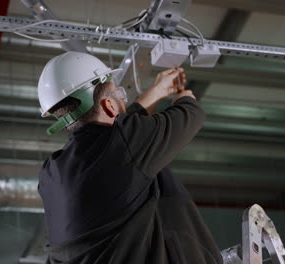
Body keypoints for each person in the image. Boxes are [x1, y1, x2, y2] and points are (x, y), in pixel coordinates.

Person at [37, 51, 223, 264]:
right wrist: (185, 99)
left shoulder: (51, 173)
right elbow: (191, 115)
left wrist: (154, 93)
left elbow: (121, 141)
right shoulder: (123, 144)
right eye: (120, 95)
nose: (123, 102)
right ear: (109, 105)